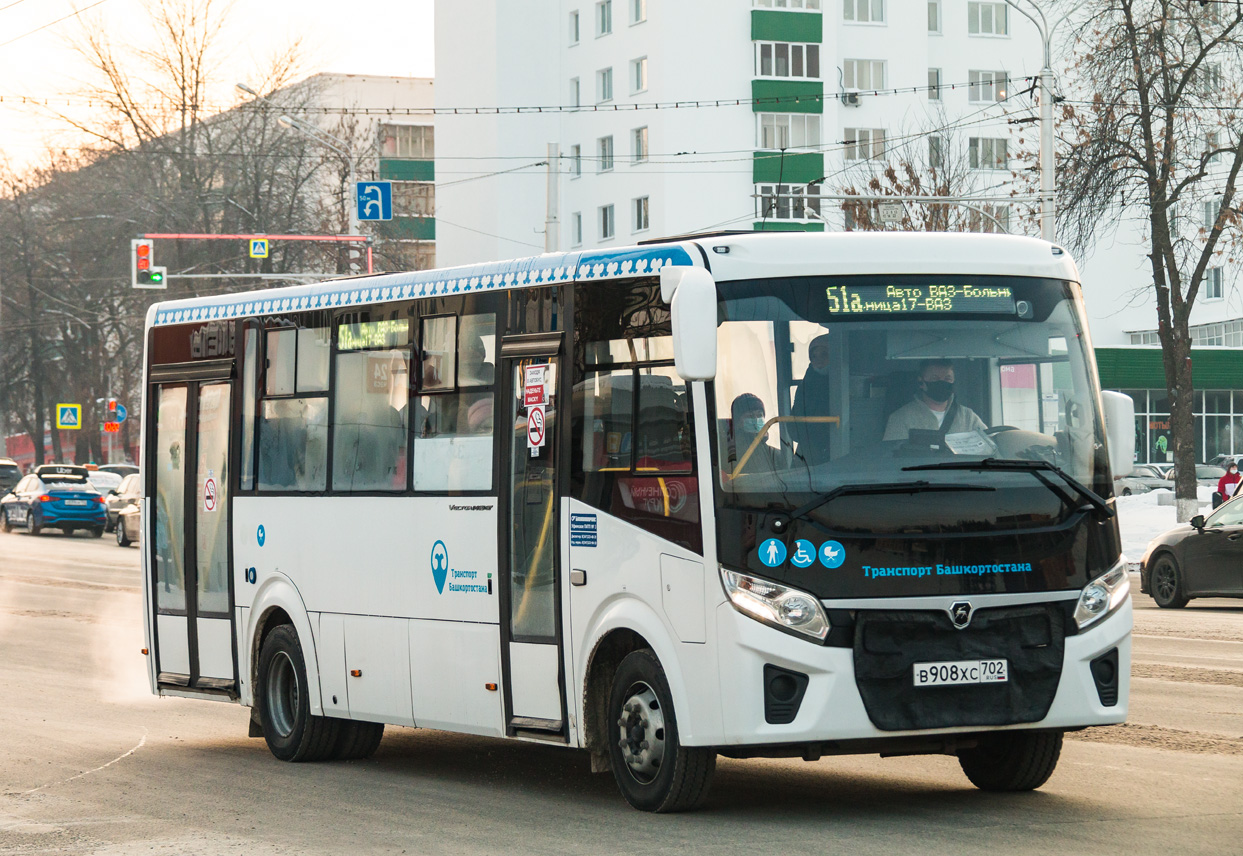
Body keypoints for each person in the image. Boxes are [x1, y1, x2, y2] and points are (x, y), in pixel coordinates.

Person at [883, 359, 987, 441]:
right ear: (921, 382)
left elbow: (991, 445)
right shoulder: (901, 418)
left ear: (953, 382)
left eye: (947, 379)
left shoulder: (967, 416)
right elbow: (893, 458)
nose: (942, 383)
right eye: (935, 378)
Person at [790, 333, 833, 466]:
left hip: (838, 445)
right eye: (814, 356)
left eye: (824, 354)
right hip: (809, 450)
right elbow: (795, 420)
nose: (818, 360)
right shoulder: (806, 384)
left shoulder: (843, 382)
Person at [729, 394, 783, 475]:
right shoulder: (730, 455)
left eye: (759, 415)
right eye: (750, 416)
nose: (756, 420)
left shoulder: (776, 456)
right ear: (738, 422)